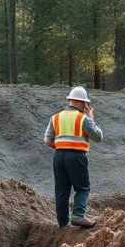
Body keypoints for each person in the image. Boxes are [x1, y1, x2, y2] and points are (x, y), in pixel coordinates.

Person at [43, 86, 103, 228]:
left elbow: (47, 140)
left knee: (61, 189)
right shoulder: (83, 119)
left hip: (58, 156)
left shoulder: (55, 117)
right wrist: (90, 117)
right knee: (83, 188)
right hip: (76, 156)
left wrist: (62, 146)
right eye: (85, 104)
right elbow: (98, 137)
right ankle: (78, 215)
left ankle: (63, 223)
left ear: (70, 100)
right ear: (82, 103)